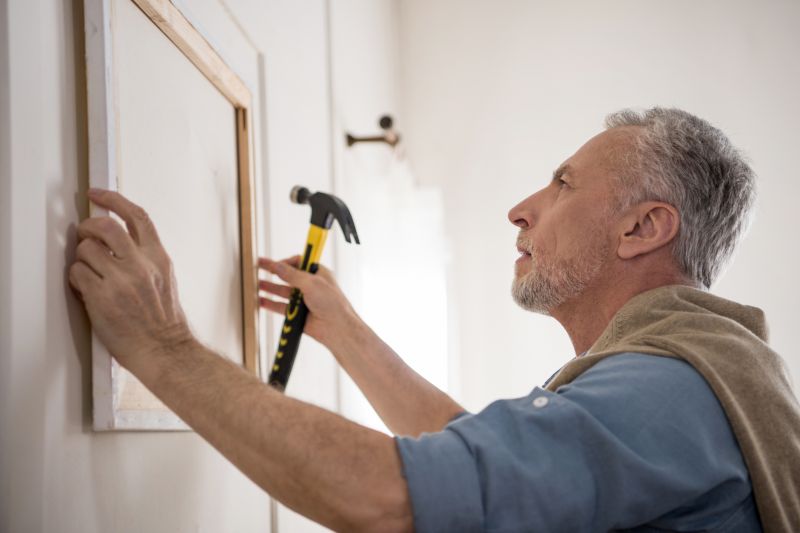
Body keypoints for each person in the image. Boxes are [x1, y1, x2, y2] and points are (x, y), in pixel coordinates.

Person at [69, 108, 800, 532]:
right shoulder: (690, 380)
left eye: (564, 182)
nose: (522, 207)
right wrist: (347, 332)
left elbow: (390, 494)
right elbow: (477, 465)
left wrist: (164, 349)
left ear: (642, 228)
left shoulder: (662, 392)